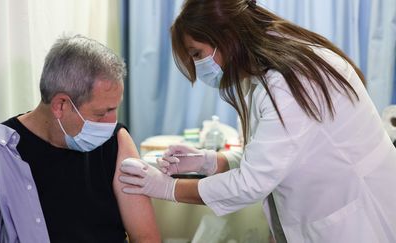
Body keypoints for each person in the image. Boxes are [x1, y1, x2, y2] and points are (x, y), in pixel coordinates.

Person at [118, 0, 396, 242]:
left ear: (225, 37)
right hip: (331, 211)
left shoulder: (289, 82)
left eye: (197, 54)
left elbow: (253, 181)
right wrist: (211, 161)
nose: (198, 65)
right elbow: (278, 155)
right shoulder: (265, 75)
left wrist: (167, 188)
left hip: (357, 220)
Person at [0, 35, 161, 243]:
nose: (112, 122)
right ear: (61, 105)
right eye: (102, 113)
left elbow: (146, 237)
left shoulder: (117, 141)